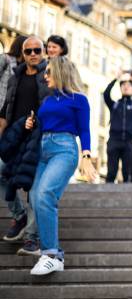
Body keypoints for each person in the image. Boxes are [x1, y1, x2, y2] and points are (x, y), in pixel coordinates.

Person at [26, 56, 97, 275]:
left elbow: (84, 130)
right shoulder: (47, 101)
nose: (45, 76)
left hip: (64, 148)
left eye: (48, 72)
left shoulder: (79, 99)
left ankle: (52, 255)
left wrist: (86, 155)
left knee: (46, 194)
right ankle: (46, 249)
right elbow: (42, 124)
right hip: (43, 148)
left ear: (60, 72)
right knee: (35, 197)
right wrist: (32, 123)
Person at [0, 36, 51, 256]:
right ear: (22, 53)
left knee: (33, 188)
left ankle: (32, 239)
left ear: (43, 52)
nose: (32, 54)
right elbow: (5, 109)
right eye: (28, 51)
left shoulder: (48, 76)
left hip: (37, 137)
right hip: (14, 136)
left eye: (36, 50)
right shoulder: (15, 77)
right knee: (1, 173)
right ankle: (19, 216)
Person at [103, 70, 132, 183]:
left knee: (127, 173)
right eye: (123, 85)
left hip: (128, 142)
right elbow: (106, 94)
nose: (126, 87)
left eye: (129, 86)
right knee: (111, 172)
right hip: (114, 141)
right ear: (120, 88)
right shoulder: (115, 105)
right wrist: (116, 79)